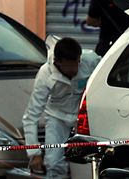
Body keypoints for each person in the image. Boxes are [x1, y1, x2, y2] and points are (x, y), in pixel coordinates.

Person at [22, 37, 100, 178]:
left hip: (82, 116)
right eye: (69, 66)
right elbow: (31, 116)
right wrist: (34, 153)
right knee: (53, 161)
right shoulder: (45, 74)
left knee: (89, 157)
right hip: (56, 116)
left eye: (76, 64)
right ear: (57, 62)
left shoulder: (92, 61)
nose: (74, 69)